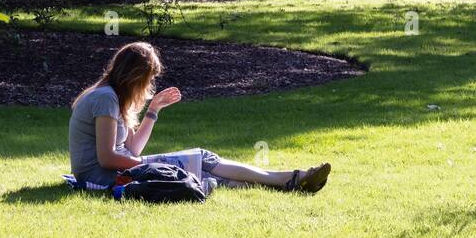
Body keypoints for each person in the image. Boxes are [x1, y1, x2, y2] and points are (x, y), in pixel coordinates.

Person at [68, 41, 331, 194]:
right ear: (135, 77)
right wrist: (147, 163)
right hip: (101, 177)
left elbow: (131, 148)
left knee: (204, 169)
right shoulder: (105, 99)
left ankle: (291, 182)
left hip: (112, 171)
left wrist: (153, 111)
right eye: (149, 80)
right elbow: (107, 158)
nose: (149, 87)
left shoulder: (111, 97)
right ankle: (293, 179)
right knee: (203, 160)